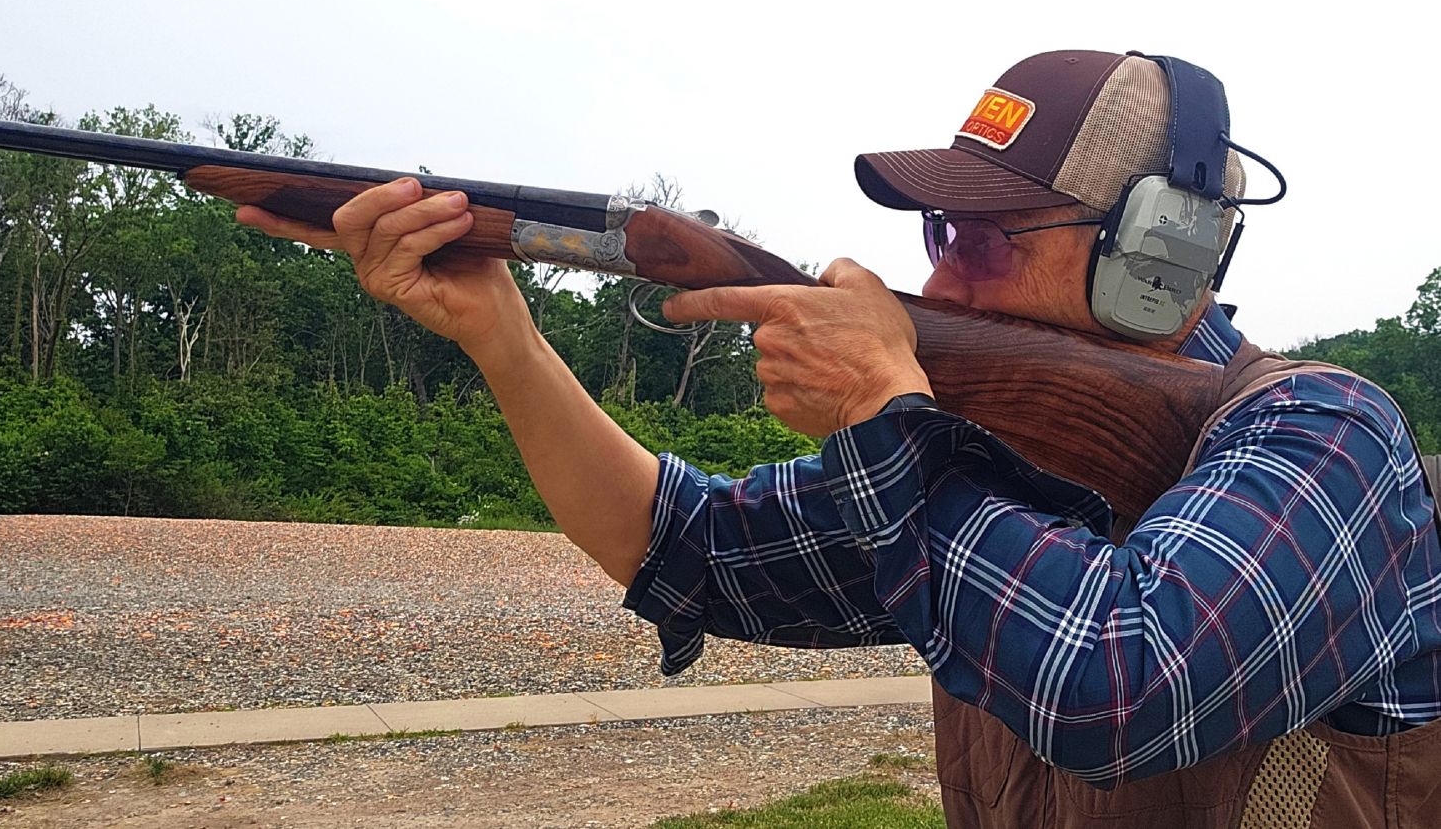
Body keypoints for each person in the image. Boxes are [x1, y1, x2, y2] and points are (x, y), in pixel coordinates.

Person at [237, 50, 1441, 827]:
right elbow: (679, 544)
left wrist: (878, 411)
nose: (941, 279)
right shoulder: (967, 454)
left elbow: (1118, 687)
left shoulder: (1324, 435)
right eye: (935, 234)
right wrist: (501, 337)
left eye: (985, 238)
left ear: (1155, 256)